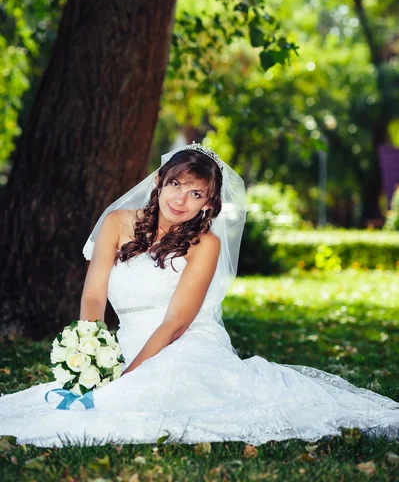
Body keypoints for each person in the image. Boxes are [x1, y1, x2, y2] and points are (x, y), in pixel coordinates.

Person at [0, 142, 398, 447]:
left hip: (187, 342)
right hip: (126, 341)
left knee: (163, 400)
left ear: (209, 203)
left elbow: (176, 324)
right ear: (159, 181)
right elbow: (92, 298)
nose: (180, 200)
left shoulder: (204, 244)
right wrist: (90, 352)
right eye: (176, 184)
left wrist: (128, 377)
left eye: (196, 194)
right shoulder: (116, 223)